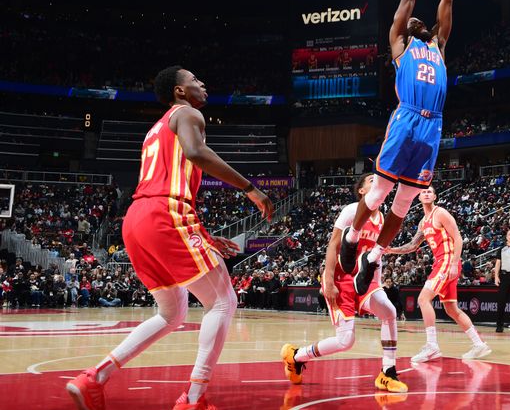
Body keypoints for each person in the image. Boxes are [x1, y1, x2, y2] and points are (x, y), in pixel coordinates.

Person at [66, 66, 274, 410]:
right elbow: (195, 154)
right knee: (223, 301)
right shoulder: (188, 113)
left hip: (137, 220)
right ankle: (194, 398)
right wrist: (251, 189)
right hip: (165, 214)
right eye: (194, 80)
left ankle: (94, 378)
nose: (202, 83)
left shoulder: (154, 130)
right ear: (179, 91)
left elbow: (166, 182)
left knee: (172, 313)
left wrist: (203, 234)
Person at [339, 0, 458, 296]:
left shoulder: (438, 44)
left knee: (404, 204)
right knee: (377, 194)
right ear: (403, 29)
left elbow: (448, 0)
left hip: (432, 128)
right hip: (406, 119)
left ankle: (372, 257)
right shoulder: (399, 44)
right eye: (411, 20)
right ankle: (352, 235)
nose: (416, 18)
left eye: (420, 19)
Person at [281, 174, 408, 394]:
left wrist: (376, 286)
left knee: (389, 311)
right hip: (343, 278)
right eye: (370, 180)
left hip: (366, 280)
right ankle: (297, 356)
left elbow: (377, 256)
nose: (376, 182)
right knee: (345, 341)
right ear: (361, 191)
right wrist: (327, 279)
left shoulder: (383, 219)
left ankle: (387, 373)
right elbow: (333, 245)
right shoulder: (352, 210)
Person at [385, 186, 491, 361]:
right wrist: (392, 250)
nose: (426, 193)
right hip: (441, 263)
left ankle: (432, 346)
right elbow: (412, 245)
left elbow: (457, 237)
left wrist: (455, 263)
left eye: (429, 192)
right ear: (419, 197)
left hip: (447, 261)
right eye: (423, 192)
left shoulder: (440, 213)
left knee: (422, 299)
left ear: (434, 196)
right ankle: (479, 344)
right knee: (451, 309)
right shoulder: (423, 222)